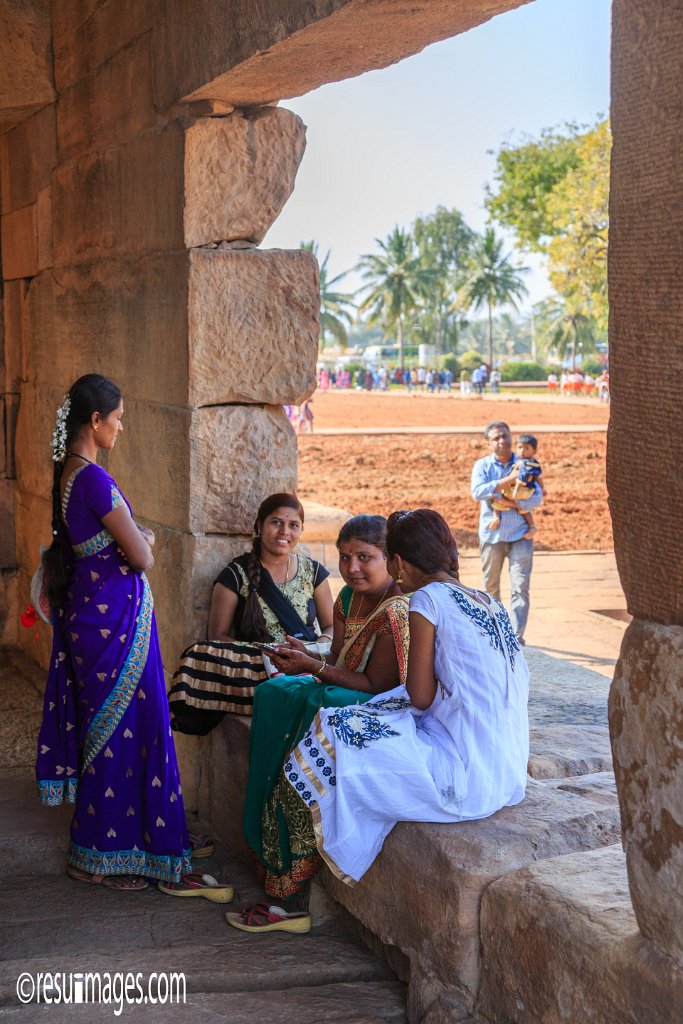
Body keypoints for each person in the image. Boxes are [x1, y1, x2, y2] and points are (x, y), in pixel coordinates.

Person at [226, 509, 528, 933]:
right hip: (504, 767)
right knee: (345, 725)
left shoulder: (425, 600)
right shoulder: (489, 601)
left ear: (399, 562)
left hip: (462, 769)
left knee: (323, 746)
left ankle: (285, 899)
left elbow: (419, 696)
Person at [35, 375, 223, 895]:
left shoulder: (70, 474)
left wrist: (134, 539)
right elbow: (138, 556)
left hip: (104, 624)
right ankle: (99, 854)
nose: (121, 427)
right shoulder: (93, 479)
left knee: (118, 732)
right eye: (117, 419)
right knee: (119, 734)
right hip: (110, 628)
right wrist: (144, 541)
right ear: (95, 422)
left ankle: (124, 842)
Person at [168, 493, 334, 734]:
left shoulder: (314, 572)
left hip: (306, 660)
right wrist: (267, 652)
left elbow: (330, 626)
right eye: (276, 522)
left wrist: (316, 647)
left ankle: (290, 686)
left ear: (301, 530)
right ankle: (285, 687)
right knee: (198, 653)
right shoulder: (236, 574)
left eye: (293, 525)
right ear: (259, 525)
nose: (284, 531)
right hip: (258, 663)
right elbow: (218, 636)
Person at [470, 421, 542, 643]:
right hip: (492, 536)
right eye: (496, 438)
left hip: (520, 535)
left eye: (505, 436)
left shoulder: (525, 464)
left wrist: (511, 501)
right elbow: (477, 492)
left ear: (512, 437)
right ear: (488, 443)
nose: (502, 441)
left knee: (520, 587)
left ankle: (516, 636)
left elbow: (537, 497)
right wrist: (509, 481)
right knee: (491, 587)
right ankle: (497, 632)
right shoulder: (482, 466)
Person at [489, 434, 545, 540]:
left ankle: (496, 517)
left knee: (497, 499)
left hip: (521, 490)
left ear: (534, 451)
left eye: (526, 448)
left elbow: (521, 479)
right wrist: (543, 488)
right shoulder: (532, 463)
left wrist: (515, 490)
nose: (522, 451)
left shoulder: (525, 463)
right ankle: (532, 526)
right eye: (520, 448)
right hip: (524, 491)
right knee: (524, 510)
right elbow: (539, 477)